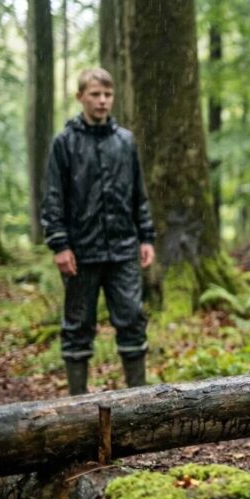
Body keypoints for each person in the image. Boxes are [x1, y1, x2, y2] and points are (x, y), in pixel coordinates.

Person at [41, 68, 156, 396]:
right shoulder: (65, 143)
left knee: (132, 319)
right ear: (80, 97)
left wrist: (146, 237)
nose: (102, 101)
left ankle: (139, 402)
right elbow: (53, 198)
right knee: (77, 326)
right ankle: (78, 406)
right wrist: (60, 245)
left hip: (123, 251)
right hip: (80, 252)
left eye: (107, 94)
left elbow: (139, 195)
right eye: (95, 94)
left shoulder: (125, 141)